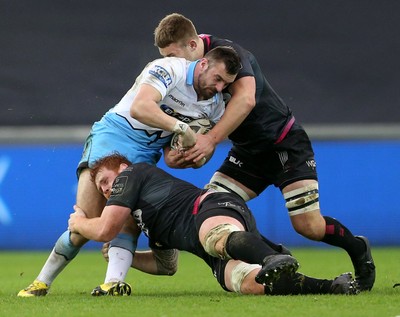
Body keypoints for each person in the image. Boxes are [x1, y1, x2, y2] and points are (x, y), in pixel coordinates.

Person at [153, 13, 375, 291]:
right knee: (214, 210)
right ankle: (273, 255)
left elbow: (245, 99)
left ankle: (357, 248)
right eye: (165, 57)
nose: (170, 63)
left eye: (173, 55)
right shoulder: (186, 76)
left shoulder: (230, 55)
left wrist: (209, 141)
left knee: (308, 226)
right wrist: (181, 154)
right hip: (247, 153)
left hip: (284, 143)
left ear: (194, 45)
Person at [17, 46, 242, 297]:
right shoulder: (169, 68)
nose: (220, 88)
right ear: (202, 65)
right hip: (114, 138)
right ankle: (41, 282)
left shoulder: (213, 106)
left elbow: (170, 156)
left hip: (147, 154)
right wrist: (182, 128)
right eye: (218, 79)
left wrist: (190, 155)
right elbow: (140, 108)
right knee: (86, 220)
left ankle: (113, 283)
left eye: (226, 84)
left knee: (127, 219)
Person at [68, 153, 359, 296]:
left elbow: (105, 229)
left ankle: (271, 256)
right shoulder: (147, 222)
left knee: (214, 237)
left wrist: (80, 223)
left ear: (121, 169)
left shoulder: (133, 174)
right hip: (214, 247)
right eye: (101, 187)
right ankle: (332, 287)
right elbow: (167, 266)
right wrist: (128, 260)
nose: (106, 190)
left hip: (212, 207)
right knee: (247, 283)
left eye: (106, 181)